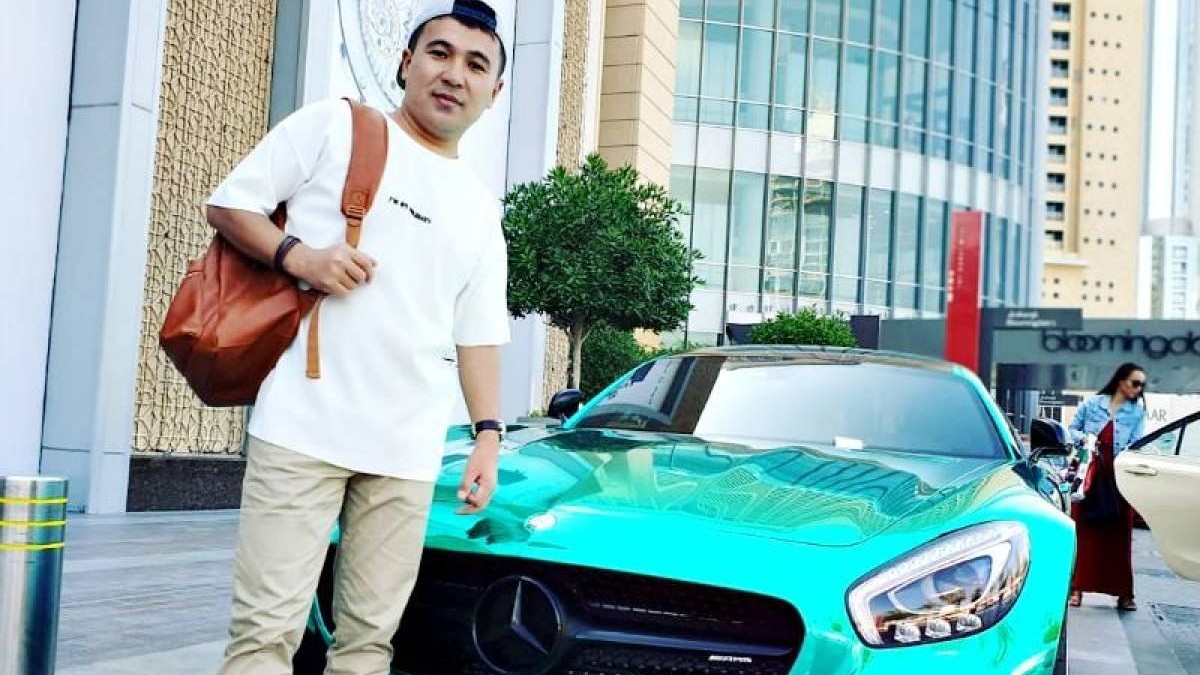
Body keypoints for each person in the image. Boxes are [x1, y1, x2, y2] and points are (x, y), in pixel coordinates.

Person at [204, 1, 510, 673]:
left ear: (493, 93)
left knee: (368, 646)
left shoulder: (482, 209)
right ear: (405, 63)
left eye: (475, 64)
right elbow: (229, 202)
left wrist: (487, 435)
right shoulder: (335, 127)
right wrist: (300, 257)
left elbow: (479, 333)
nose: (453, 74)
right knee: (264, 636)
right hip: (302, 429)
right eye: (438, 53)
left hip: (407, 450)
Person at [1067, 362, 1147, 612]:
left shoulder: (1137, 413)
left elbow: (1137, 443)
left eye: (1142, 385)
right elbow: (1072, 430)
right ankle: (1076, 589)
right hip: (1090, 475)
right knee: (1083, 534)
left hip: (1118, 479)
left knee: (1119, 538)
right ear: (1121, 381)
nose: (1138, 388)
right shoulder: (1093, 404)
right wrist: (1087, 440)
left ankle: (1124, 594)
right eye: (1135, 383)